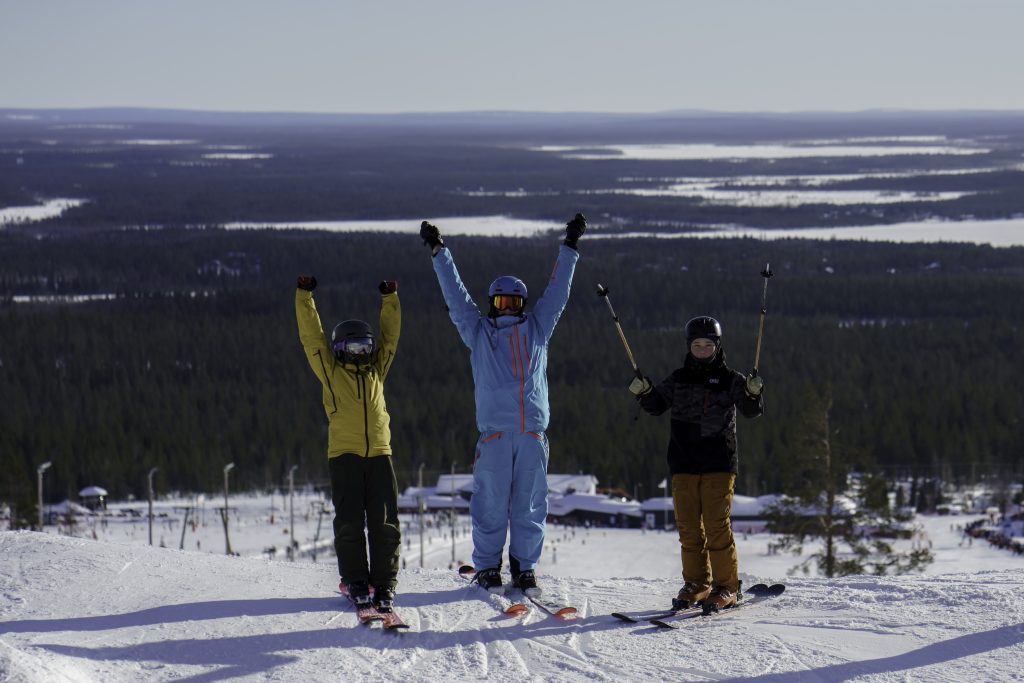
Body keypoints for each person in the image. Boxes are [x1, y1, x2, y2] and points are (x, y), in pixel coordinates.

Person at [419, 214, 586, 595]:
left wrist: (570, 245)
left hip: (531, 435)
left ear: (522, 304)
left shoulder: (538, 328)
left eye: (514, 302)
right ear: (492, 305)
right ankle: (489, 567)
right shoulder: (478, 334)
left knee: (529, 505)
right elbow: (456, 298)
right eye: (500, 301)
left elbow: (557, 293)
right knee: (490, 505)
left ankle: (524, 568)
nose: (508, 308)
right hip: (494, 436)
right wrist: (439, 252)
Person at [629, 316, 764, 611]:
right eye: (697, 344)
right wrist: (644, 391)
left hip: (718, 461)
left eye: (708, 345)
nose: (702, 349)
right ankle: (697, 584)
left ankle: (727, 586)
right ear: (689, 346)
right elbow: (656, 405)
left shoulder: (731, 379)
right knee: (689, 529)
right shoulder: (679, 378)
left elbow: (751, 410)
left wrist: (754, 393)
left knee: (716, 526)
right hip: (684, 462)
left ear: (717, 346)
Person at [295, 275, 401, 612]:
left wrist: (390, 299)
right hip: (345, 456)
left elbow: (391, 339)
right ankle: (356, 581)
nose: (360, 355)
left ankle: (384, 584)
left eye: (364, 348)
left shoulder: (377, 371)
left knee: (384, 523)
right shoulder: (330, 371)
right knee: (350, 523)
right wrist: (304, 296)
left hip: (380, 454)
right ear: (340, 350)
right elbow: (312, 339)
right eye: (353, 349)